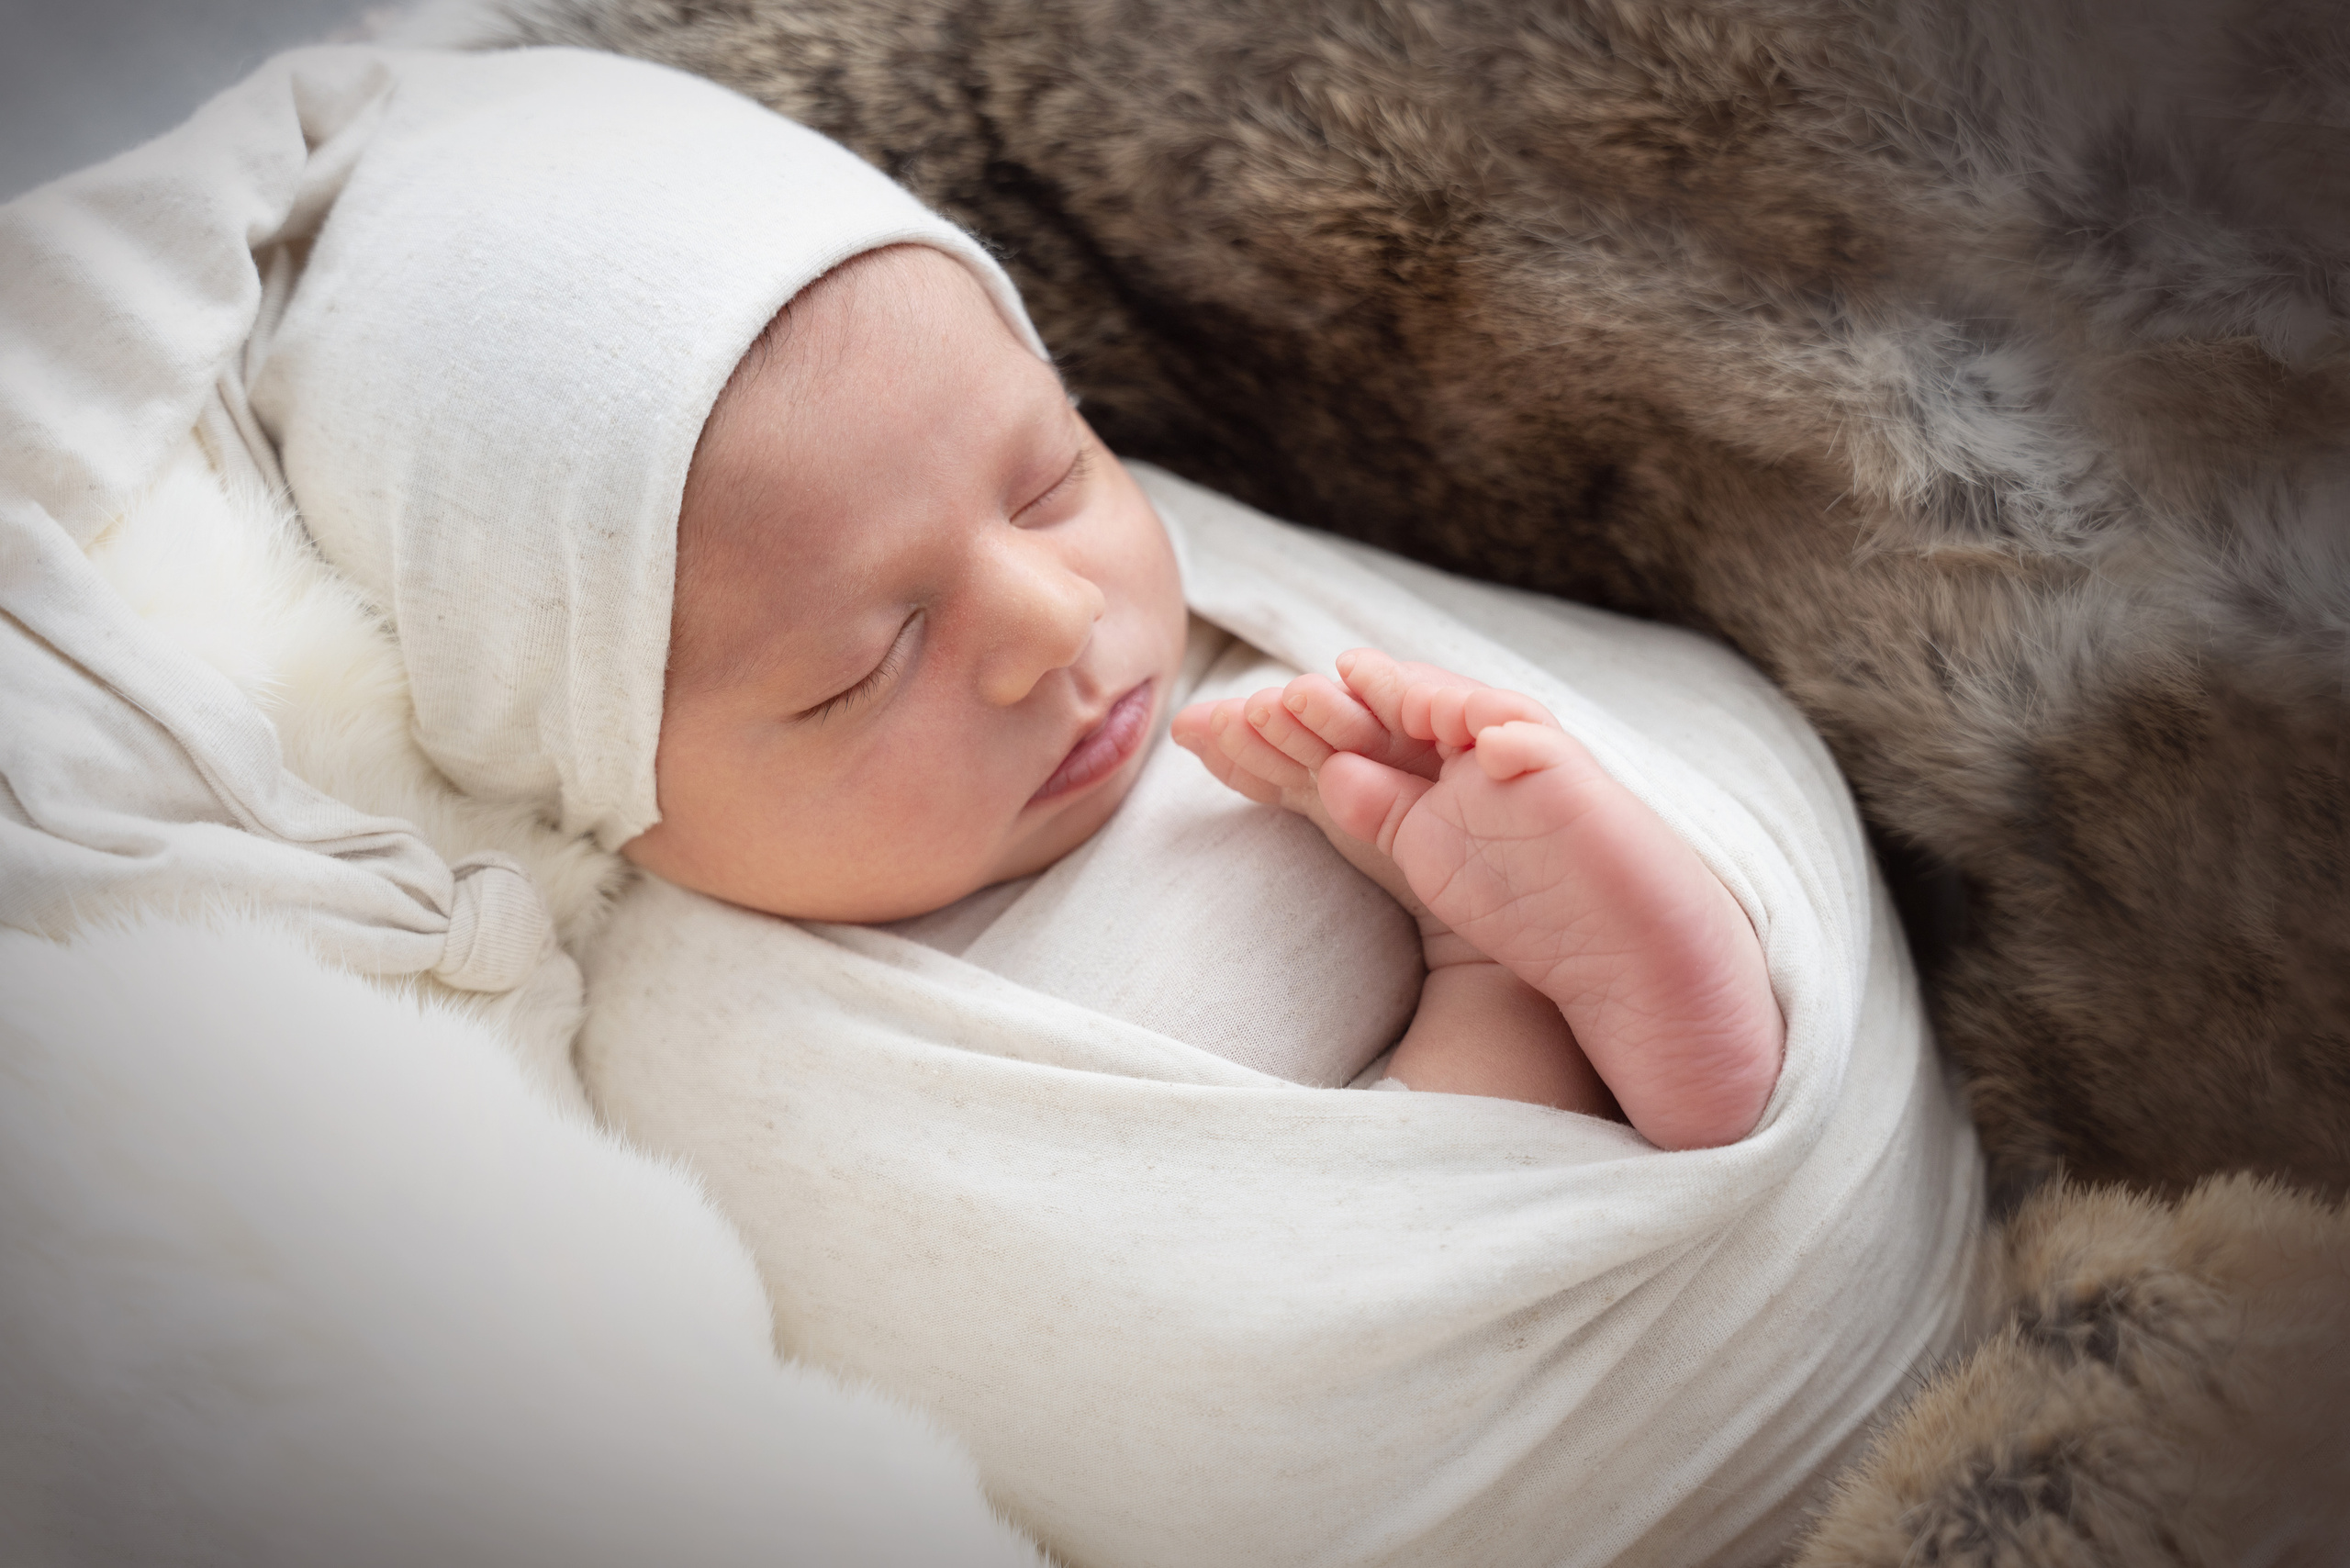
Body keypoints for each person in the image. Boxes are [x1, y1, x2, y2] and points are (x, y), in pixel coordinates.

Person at [621, 241, 1782, 1150]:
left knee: (1523, 767)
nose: (1059, 617)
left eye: (1049, 482)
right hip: (1368, 1303)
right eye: (864, 664)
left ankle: (1600, 982)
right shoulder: (694, 1040)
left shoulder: (1300, 682)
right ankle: (1549, 1010)